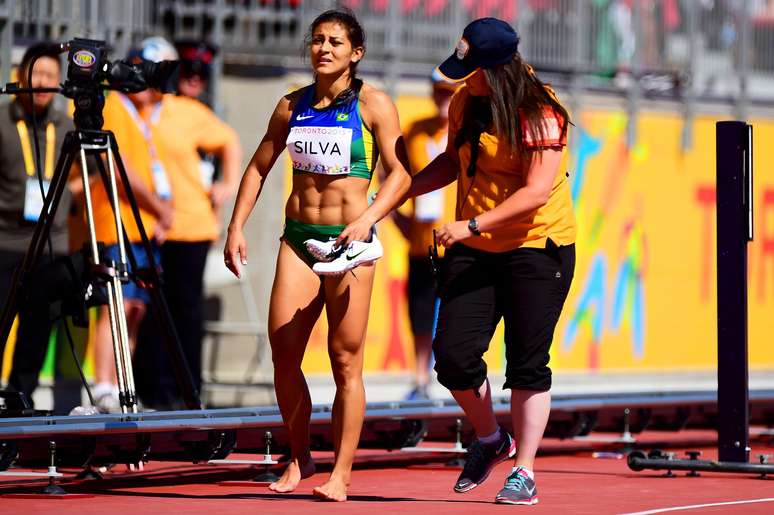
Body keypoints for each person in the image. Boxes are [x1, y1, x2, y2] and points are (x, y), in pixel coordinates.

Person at [224, 8, 411, 502]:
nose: (323, 49)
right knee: (284, 356)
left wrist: (369, 218)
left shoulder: (373, 105)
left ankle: (341, 475)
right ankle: (300, 454)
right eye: (317, 40)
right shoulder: (291, 106)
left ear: (356, 52)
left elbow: (401, 175)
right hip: (299, 238)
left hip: (350, 244)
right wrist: (236, 227)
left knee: (344, 361)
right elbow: (258, 167)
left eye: (335, 41)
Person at [405, 18, 575, 505]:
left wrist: (471, 226)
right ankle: (489, 439)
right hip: (477, 250)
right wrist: (402, 192)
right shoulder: (465, 101)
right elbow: (449, 162)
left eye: (471, 69)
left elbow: (537, 192)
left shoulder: (540, 110)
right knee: (453, 357)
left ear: (497, 69)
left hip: (537, 247)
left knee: (526, 362)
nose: (461, 78)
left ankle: (524, 471)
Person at [135, 36, 242, 410]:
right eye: (187, 71)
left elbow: (229, 141)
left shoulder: (190, 112)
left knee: (185, 310)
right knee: (146, 312)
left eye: (201, 73)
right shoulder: (144, 108)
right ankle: (153, 390)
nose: (194, 79)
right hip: (148, 227)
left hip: (190, 227)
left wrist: (226, 185)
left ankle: (187, 390)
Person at [89, 39, 177, 412]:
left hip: (141, 222)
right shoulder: (113, 105)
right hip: (117, 221)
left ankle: (124, 386)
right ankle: (104, 386)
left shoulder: (142, 113)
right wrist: (158, 206)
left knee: (136, 310)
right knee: (118, 305)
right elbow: (119, 168)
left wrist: (159, 210)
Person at [0, 42, 77, 405]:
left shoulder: (66, 126)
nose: (44, 83)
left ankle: (22, 399)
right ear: (21, 76)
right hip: (6, 242)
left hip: (51, 244)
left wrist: (66, 198)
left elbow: (89, 174)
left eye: (51, 75)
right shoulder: (3, 121)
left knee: (37, 329)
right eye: (37, 74)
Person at [392, 70, 457, 400]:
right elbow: (392, 179)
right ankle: (420, 378)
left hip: (460, 242)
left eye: (449, 93)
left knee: (459, 315)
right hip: (423, 244)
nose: (442, 99)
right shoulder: (415, 132)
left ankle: (458, 376)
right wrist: (395, 218)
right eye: (438, 93)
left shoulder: (466, 133)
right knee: (419, 313)